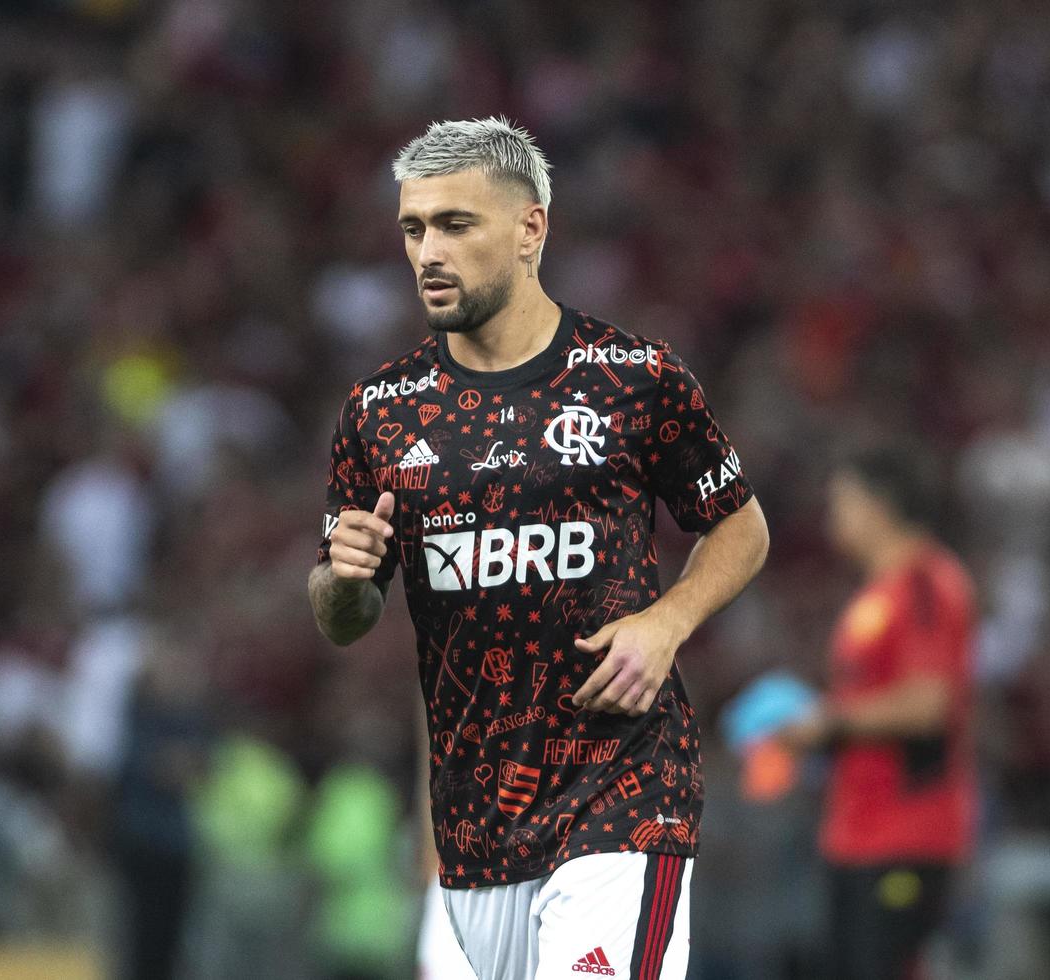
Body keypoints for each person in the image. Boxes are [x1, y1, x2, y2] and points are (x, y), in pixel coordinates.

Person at [308, 118, 769, 980]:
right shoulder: (380, 412)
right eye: (413, 228)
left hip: (623, 797)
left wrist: (667, 622)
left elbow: (740, 524)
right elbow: (344, 618)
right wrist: (343, 577)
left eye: (456, 225)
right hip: (478, 826)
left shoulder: (633, 377)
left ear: (531, 229)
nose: (427, 253)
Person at [777, 447, 978, 980]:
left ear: (879, 505)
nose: (832, 516)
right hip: (858, 831)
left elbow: (929, 703)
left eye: (842, 501)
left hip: (906, 831)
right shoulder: (880, 594)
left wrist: (828, 723)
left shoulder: (926, 584)